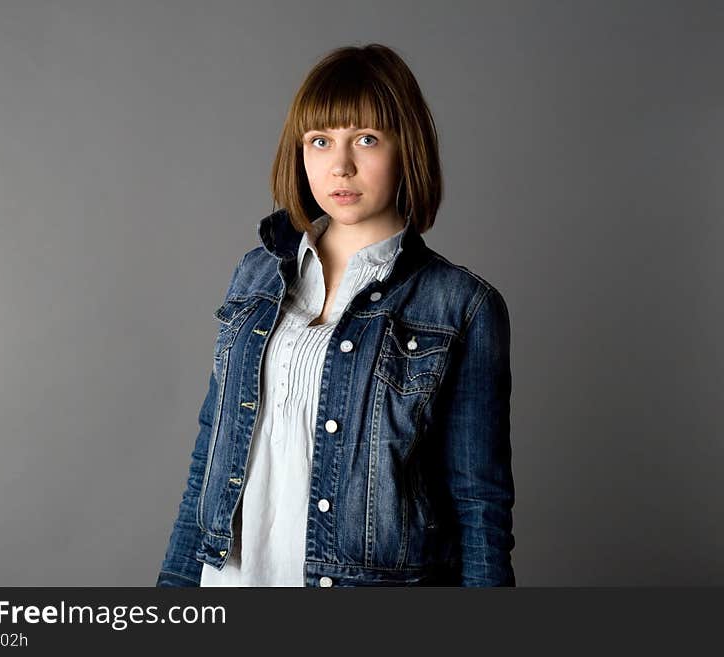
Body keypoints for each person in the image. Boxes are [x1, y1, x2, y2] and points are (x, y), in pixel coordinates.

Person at [157, 43, 514, 587]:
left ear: (406, 149)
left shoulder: (460, 305)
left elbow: (477, 501)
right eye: (320, 141)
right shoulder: (256, 275)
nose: (340, 165)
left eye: (366, 139)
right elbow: (210, 451)